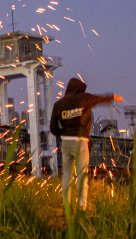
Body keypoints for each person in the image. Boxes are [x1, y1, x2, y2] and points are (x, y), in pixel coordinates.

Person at [50, 77, 123, 214]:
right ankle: (81, 207)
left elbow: (53, 128)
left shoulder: (58, 104)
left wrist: (63, 134)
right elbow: (100, 99)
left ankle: (66, 205)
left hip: (66, 142)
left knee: (66, 175)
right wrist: (114, 97)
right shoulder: (85, 98)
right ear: (79, 88)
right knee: (81, 175)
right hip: (81, 142)